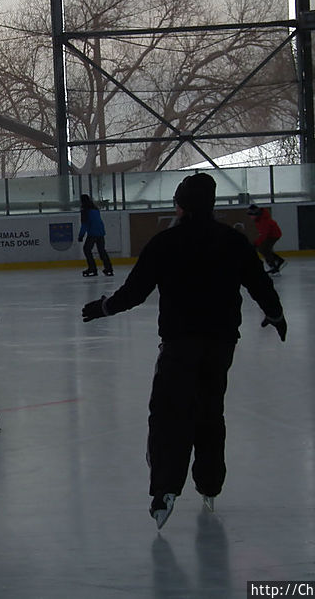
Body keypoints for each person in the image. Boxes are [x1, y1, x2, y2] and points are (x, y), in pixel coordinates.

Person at [81, 173, 287, 530]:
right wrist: (276, 315)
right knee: (210, 411)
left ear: (179, 205)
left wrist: (104, 307)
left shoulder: (166, 242)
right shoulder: (233, 240)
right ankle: (210, 483)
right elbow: (259, 283)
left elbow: (135, 291)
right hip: (221, 343)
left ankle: (165, 491)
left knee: (169, 415)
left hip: (179, 344)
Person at [78, 194, 114, 277]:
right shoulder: (95, 209)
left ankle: (92, 268)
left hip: (92, 233)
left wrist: (81, 236)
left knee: (86, 249)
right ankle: (109, 268)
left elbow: (85, 224)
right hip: (100, 232)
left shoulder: (85, 211)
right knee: (102, 251)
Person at [247, 204, 285, 273]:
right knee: (263, 249)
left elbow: (264, 234)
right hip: (270, 235)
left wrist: (256, 243)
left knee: (263, 249)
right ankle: (277, 262)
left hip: (274, 235)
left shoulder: (263, 220)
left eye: (251, 215)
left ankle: (274, 266)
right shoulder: (258, 219)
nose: (250, 217)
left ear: (255, 214)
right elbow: (262, 233)